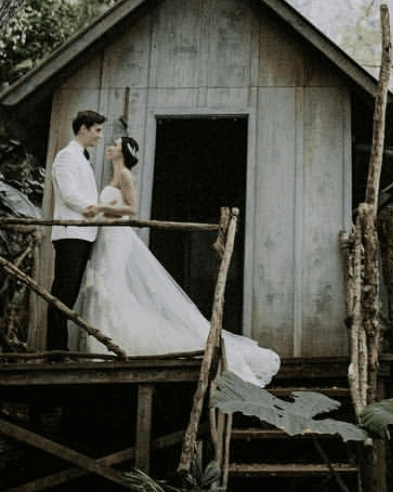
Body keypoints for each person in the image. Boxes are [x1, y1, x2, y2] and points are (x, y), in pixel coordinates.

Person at [69, 135, 280, 386]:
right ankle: (104, 344)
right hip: (106, 238)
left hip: (118, 239)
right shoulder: (112, 178)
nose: (110, 147)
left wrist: (101, 209)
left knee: (111, 285)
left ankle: (116, 343)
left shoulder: (125, 175)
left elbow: (132, 209)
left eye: (114, 145)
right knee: (104, 286)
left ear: (123, 153)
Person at [47, 108, 105, 350]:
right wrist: (93, 208)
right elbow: (69, 193)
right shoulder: (66, 156)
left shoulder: (81, 157)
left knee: (70, 293)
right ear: (83, 129)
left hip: (83, 233)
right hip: (70, 231)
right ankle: (56, 349)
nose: (100, 136)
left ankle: (60, 347)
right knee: (63, 291)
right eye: (97, 130)